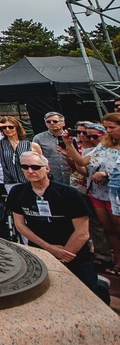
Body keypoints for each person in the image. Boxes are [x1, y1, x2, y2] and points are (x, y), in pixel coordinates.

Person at [7, 151, 100, 296]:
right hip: (41, 253)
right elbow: (20, 225)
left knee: (87, 294)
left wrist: (62, 256)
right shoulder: (17, 192)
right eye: (25, 167)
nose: (30, 171)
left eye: (36, 167)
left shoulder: (69, 194)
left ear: (47, 168)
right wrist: (49, 249)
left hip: (74, 253)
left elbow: (82, 233)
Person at [59, 114, 120, 275]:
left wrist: (106, 175)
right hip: (99, 194)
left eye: (112, 128)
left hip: (116, 193)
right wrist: (69, 145)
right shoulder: (103, 145)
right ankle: (118, 262)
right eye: (106, 128)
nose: (109, 131)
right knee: (109, 230)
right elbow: (82, 162)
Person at [33, 112, 71, 184]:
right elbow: (36, 158)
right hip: (51, 177)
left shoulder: (71, 137)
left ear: (63, 123)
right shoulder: (38, 138)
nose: (52, 123)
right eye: (48, 122)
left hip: (71, 175)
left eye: (55, 121)